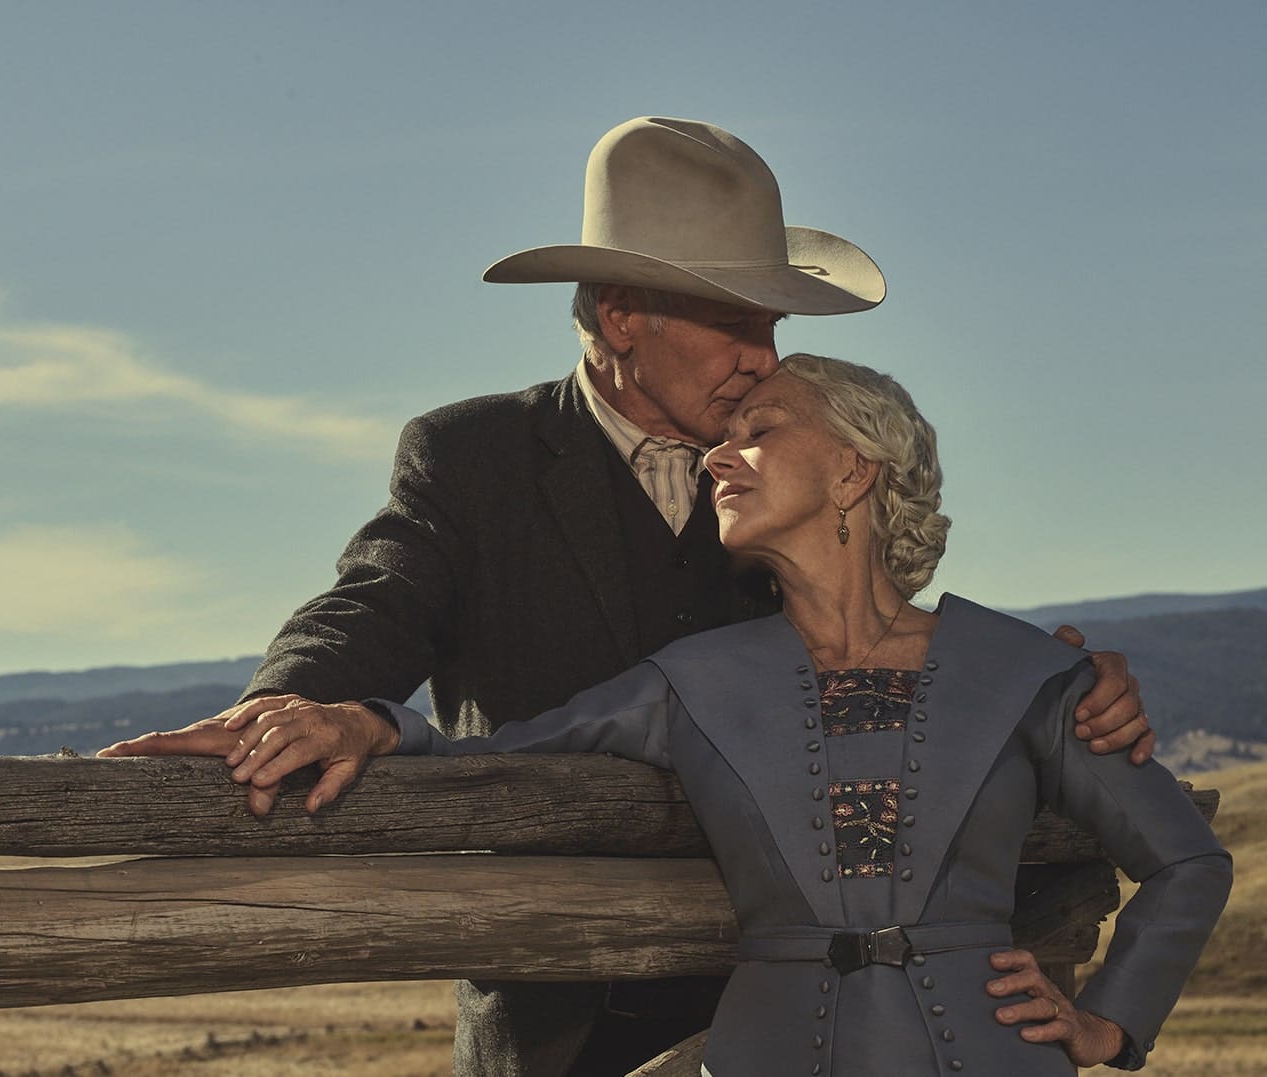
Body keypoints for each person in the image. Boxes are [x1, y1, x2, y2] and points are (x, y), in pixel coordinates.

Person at [105, 117, 1156, 1076]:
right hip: (551, 1005)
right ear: (620, 313)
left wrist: (1058, 682)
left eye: (772, 326)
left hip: (784, 1005)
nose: (763, 360)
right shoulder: (472, 457)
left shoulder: (778, 472)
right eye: (733, 324)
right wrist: (294, 703)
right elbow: (372, 604)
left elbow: (876, 640)